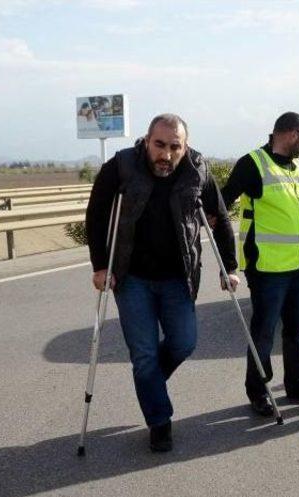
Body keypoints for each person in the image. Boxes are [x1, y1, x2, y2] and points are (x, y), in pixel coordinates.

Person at [85, 113, 238, 452]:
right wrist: (99, 265)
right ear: (146, 140)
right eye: (159, 145)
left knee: (184, 343)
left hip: (177, 277)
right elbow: (95, 215)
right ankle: (159, 421)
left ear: (185, 147)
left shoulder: (198, 169)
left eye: (174, 147)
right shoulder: (121, 166)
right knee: (144, 354)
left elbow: (221, 218)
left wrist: (230, 266)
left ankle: (149, 381)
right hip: (132, 277)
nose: (165, 155)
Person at [221, 111, 299, 417]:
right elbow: (221, 205)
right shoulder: (253, 163)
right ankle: (259, 391)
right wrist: (228, 263)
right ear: (288, 133)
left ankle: (297, 384)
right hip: (266, 266)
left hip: (298, 265)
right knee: (263, 330)